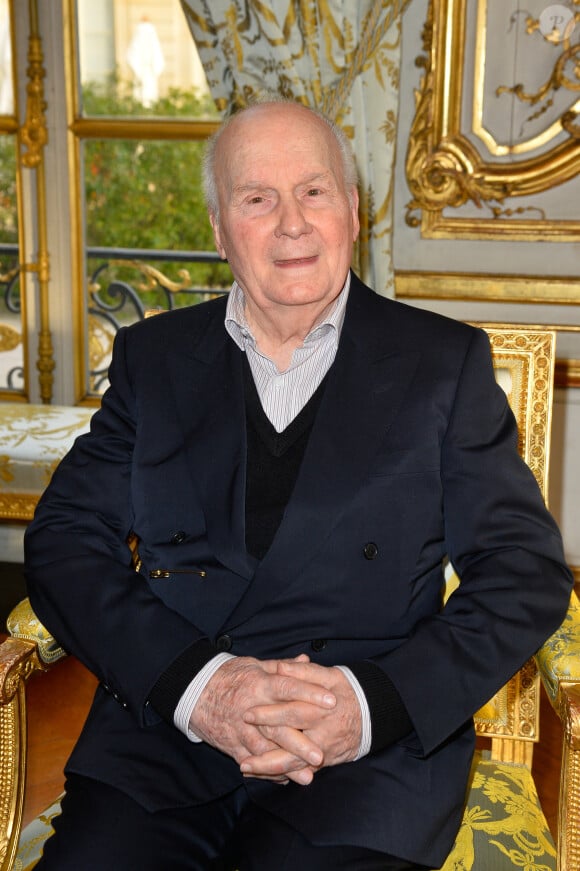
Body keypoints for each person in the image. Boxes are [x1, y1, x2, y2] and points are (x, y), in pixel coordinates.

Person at [24, 98, 572, 871]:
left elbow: (524, 575)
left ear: (352, 211)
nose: (291, 223)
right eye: (257, 198)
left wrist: (367, 704)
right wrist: (198, 686)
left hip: (364, 757)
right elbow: (64, 541)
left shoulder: (442, 366)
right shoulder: (155, 358)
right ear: (218, 230)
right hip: (169, 739)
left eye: (313, 191)